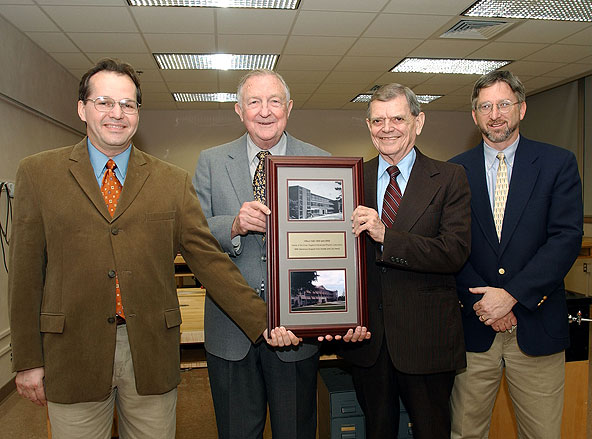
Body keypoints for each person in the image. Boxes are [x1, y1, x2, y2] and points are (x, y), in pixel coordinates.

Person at [8, 58, 298, 439]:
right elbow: (26, 273)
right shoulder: (38, 173)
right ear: (82, 108)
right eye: (105, 102)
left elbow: (209, 261)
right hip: (72, 353)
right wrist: (28, 359)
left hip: (149, 352)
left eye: (128, 105)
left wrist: (265, 320)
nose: (118, 113)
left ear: (137, 113)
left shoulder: (170, 181)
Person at [193, 69, 369, 439]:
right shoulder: (210, 161)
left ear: (288, 107)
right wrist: (234, 226)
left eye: (274, 101)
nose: (265, 110)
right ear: (238, 110)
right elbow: (193, 236)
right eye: (254, 101)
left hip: (297, 333)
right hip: (231, 331)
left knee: (296, 431)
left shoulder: (321, 161)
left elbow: (334, 246)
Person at [449, 70, 583, 439]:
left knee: (541, 434)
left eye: (504, 104)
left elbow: (565, 239)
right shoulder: (453, 171)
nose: (495, 114)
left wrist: (510, 297)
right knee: (464, 432)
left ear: (521, 109)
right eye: (485, 106)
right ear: (474, 116)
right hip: (474, 327)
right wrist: (486, 302)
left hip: (536, 323)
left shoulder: (558, 164)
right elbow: (450, 246)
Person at [339, 83, 471, 439]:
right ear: (368, 126)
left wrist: (387, 236)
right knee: (377, 432)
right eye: (378, 120)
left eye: (398, 118)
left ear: (419, 121)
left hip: (425, 339)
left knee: (432, 431)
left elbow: (454, 251)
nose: (388, 128)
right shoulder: (349, 179)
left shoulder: (449, 178)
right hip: (368, 340)